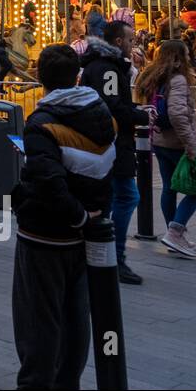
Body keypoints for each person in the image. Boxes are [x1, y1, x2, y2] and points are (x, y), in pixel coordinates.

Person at [11, 44, 115, 390]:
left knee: (39, 320)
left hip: (46, 234)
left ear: (40, 78)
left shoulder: (42, 124)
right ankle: (68, 381)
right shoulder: (101, 115)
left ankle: (37, 383)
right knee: (75, 317)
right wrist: (91, 217)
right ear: (79, 76)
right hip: (83, 236)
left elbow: (47, 181)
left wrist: (77, 215)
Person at [79, 18, 151, 285]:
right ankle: (114, 255)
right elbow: (112, 105)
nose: (133, 46)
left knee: (108, 200)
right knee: (127, 196)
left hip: (105, 141)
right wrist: (139, 116)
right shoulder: (107, 69)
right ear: (118, 41)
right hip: (112, 142)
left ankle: (102, 254)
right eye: (131, 40)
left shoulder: (101, 66)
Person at [134, 38, 196, 258]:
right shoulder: (179, 79)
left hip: (160, 141)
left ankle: (175, 235)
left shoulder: (155, 78)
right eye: (186, 54)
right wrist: (191, 143)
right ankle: (175, 231)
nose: (190, 57)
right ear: (178, 57)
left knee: (169, 188)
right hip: (177, 143)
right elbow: (177, 113)